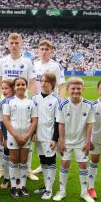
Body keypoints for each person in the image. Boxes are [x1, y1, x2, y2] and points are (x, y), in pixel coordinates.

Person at [0, 33, 38, 181]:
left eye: (16, 42)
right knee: (4, 137)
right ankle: (2, 169)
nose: (14, 45)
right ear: (8, 44)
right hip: (6, 104)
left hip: (22, 103)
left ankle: (27, 170)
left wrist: (32, 99)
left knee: (26, 138)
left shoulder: (27, 62)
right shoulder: (2, 61)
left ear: (21, 43)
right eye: (11, 42)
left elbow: (32, 82)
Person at [53, 77, 95, 202]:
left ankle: (84, 192)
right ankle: (61, 190)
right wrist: (62, 141)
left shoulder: (88, 105)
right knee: (65, 163)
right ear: (67, 89)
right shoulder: (63, 105)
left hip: (81, 142)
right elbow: (61, 124)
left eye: (78, 88)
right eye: (73, 88)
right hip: (67, 141)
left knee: (83, 165)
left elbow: (89, 124)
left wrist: (88, 142)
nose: (76, 91)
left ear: (83, 89)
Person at [29, 40, 66, 177]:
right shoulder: (34, 64)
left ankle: (49, 165)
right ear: (38, 50)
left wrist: (61, 103)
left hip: (51, 103)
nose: (44, 51)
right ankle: (41, 164)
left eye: (46, 49)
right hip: (37, 103)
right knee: (37, 134)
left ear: (51, 51)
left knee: (50, 133)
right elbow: (31, 84)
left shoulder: (55, 66)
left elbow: (62, 86)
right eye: (41, 49)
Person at [2, 77, 38, 198]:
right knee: (14, 160)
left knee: (23, 161)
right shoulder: (8, 102)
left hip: (26, 137)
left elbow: (34, 121)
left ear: (26, 86)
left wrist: (27, 135)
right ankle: (13, 187)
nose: (20, 86)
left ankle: (22, 186)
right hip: (13, 136)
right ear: (14, 87)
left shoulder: (31, 102)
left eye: (23, 84)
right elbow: (6, 121)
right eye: (18, 85)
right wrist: (16, 136)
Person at [31, 73, 60, 200]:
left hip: (49, 137)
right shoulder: (35, 98)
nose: (43, 83)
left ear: (52, 84)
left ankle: (49, 190)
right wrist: (32, 132)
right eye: (41, 81)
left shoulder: (56, 100)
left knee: (50, 162)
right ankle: (46, 185)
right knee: (43, 162)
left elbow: (58, 121)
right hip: (38, 136)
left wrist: (55, 138)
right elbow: (32, 118)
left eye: (46, 81)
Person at [0, 79, 15, 189]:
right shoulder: (3, 103)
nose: (3, 90)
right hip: (7, 136)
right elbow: (2, 122)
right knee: (6, 156)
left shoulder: (18, 101)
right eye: (2, 88)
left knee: (16, 158)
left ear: (13, 89)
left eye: (6, 88)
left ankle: (16, 178)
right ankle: (7, 178)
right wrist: (4, 136)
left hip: (18, 134)